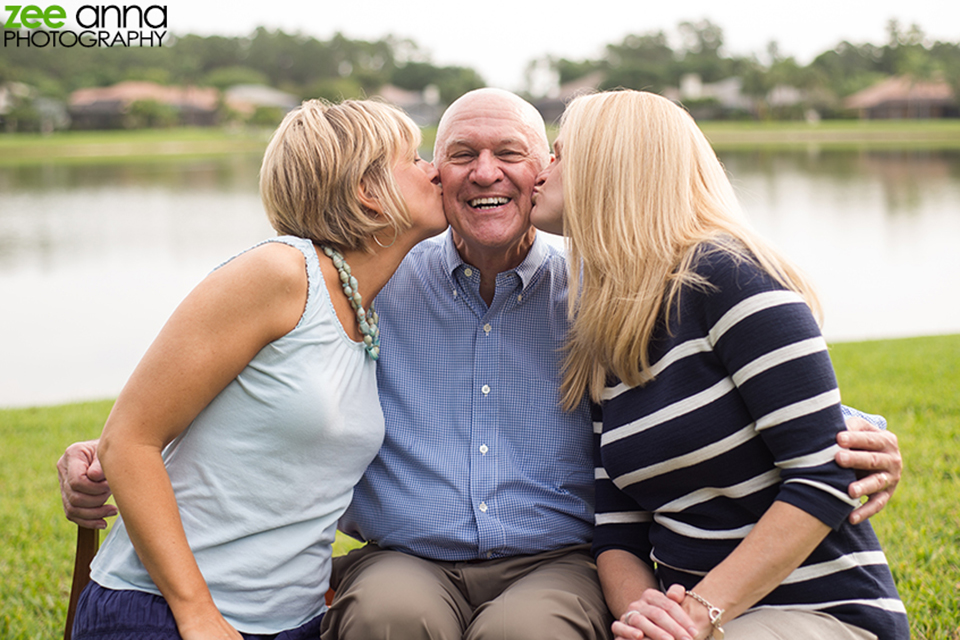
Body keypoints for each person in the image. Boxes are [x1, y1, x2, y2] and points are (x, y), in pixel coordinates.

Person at [59, 89, 904, 640]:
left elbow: (742, 385)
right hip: (401, 556)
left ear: (543, 175)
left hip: (553, 561)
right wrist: (97, 460)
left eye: (515, 153)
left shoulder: (602, 290)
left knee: (524, 636)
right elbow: (214, 392)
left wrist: (854, 434)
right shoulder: (348, 283)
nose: (474, 171)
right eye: (452, 154)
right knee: (389, 616)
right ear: (384, 189)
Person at [529, 89, 909, 639]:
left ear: (609, 165)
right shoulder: (605, 327)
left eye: (561, 155)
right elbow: (616, 529)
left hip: (821, 613)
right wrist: (650, 620)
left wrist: (699, 612)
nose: (543, 170)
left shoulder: (730, 275)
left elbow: (822, 474)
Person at [67, 98, 447, 640]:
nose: (434, 169)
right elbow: (129, 439)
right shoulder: (281, 273)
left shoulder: (367, 310)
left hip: (292, 622)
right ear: (368, 188)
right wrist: (195, 611)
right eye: (415, 158)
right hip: (167, 616)